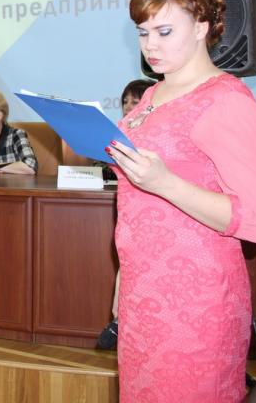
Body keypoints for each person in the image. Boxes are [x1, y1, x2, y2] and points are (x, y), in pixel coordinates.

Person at [107, 0, 256, 401]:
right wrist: (125, 279)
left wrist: (166, 183)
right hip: (144, 293)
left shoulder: (226, 100)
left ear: (201, 28)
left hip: (198, 299)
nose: (150, 45)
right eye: (143, 33)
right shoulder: (150, 96)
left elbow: (255, 221)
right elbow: (138, 206)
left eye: (164, 32)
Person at [95, 78, 155, 350]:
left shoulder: (156, 137)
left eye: (136, 101)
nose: (129, 106)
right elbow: (100, 165)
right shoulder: (116, 134)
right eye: (125, 102)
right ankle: (121, 323)